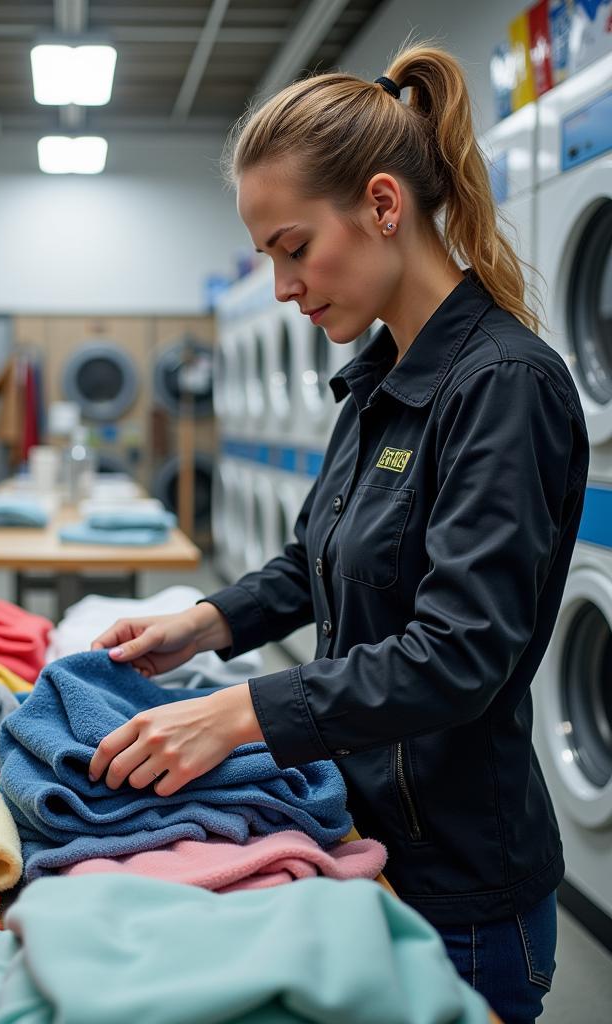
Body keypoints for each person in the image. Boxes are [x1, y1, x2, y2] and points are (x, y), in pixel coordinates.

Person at [88, 44, 589, 1024]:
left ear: (383, 205)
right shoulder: (377, 379)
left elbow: (460, 654)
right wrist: (203, 625)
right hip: (367, 833)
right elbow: (314, 558)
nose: (280, 285)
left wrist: (237, 714)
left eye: (291, 246)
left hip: (463, 889)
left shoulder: (502, 385)